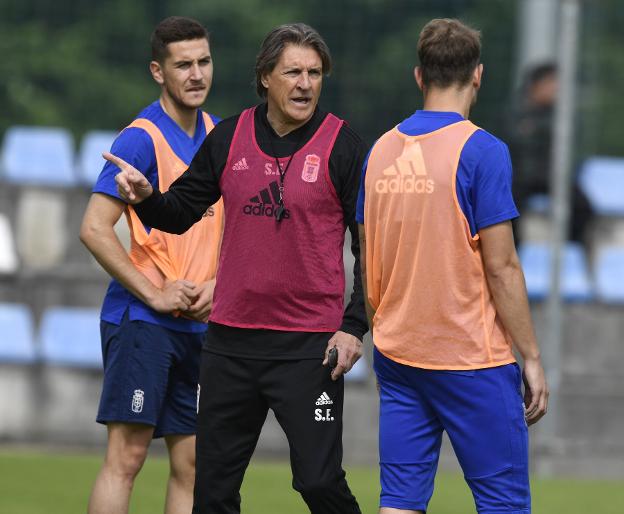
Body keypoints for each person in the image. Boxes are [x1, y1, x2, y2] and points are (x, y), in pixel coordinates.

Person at [107, 22, 367, 514]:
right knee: (212, 492)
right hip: (228, 346)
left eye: (315, 73)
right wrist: (145, 198)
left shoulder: (345, 147)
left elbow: (370, 247)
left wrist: (355, 327)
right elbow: (178, 213)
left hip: (308, 348)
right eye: (293, 72)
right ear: (265, 76)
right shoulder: (229, 137)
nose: (305, 84)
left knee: (318, 483)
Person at [357, 19, 548, 514]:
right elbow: (502, 267)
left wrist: (385, 321)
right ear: (478, 76)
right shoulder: (483, 151)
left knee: (398, 501)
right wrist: (530, 355)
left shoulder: (379, 151)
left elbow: (367, 253)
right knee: (502, 502)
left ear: (419, 76)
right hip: (471, 359)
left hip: (399, 355)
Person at [80, 16, 223, 514]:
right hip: (143, 321)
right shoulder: (140, 138)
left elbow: (230, 234)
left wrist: (214, 286)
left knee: (194, 465)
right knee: (128, 456)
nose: (197, 74)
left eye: (203, 61)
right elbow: (94, 229)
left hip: (199, 325)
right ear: (158, 72)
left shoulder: (220, 137)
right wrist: (156, 293)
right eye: (183, 64)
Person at [508, 62, 592, 244]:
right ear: (536, 85)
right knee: (508, 206)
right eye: (550, 83)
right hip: (522, 176)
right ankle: (513, 249)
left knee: (583, 206)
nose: (555, 88)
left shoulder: (559, 114)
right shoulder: (516, 110)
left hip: (551, 176)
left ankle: (569, 247)